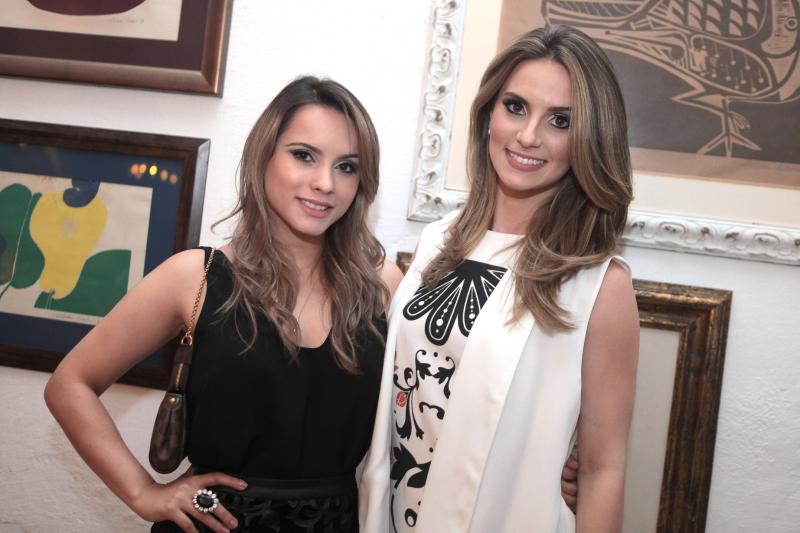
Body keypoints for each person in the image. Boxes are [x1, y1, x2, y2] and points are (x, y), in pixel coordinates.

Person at [45, 76, 405, 533]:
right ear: (264, 156)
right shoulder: (195, 277)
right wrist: (142, 492)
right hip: (216, 523)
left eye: (347, 166)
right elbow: (69, 384)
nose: (324, 183)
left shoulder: (382, 286)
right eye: (304, 155)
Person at [358, 25, 639, 532]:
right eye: (515, 107)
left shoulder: (600, 284)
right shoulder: (438, 242)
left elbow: (602, 470)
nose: (529, 136)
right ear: (488, 113)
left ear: (590, 139)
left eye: (560, 120)